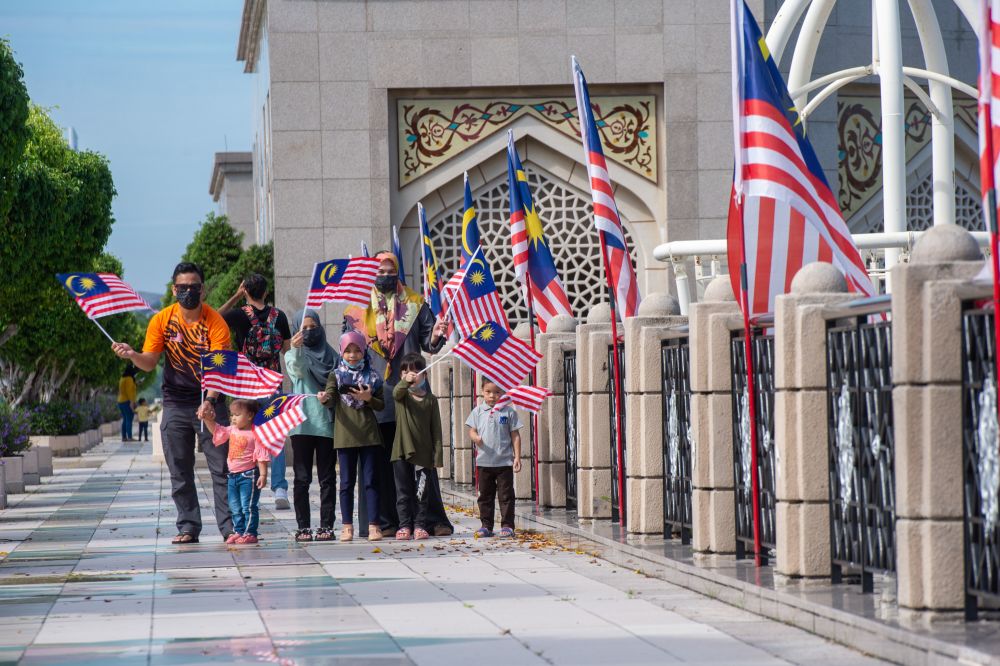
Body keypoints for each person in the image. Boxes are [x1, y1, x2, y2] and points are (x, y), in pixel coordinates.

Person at [111, 261, 233, 545]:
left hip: (210, 402)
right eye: (182, 287)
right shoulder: (162, 320)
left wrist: (211, 402)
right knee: (179, 469)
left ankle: (230, 528)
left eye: (193, 287)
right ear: (173, 289)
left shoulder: (215, 322)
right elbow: (149, 362)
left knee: (222, 468)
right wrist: (132, 354)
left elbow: (220, 368)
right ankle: (188, 526)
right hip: (176, 404)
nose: (188, 292)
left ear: (202, 290)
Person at [342, 251, 453, 538]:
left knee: (417, 460)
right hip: (375, 395)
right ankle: (384, 521)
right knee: (378, 462)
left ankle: (428, 520)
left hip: (410, 394)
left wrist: (438, 333)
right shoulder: (357, 311)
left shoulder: (416, 303)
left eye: (391, 271)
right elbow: (348, 350)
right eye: (380, 270)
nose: (386, 275)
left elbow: (430, 343)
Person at [220, 274, 292, 511]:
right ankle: (280, 487)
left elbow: (216, 317)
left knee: (246, 434)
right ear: (266, 292)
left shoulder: (240, 314)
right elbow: (286, 347)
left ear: (246, 291)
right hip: (273, 382)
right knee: (275, 434)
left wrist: (236, 296)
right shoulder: (278, 316)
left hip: (247, 383)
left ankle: (251, 486)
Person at [319, 331, 384, 542]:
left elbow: (381, 405)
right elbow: (330, 397)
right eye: (348, 351)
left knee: (372, 482)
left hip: (369, 435)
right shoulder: (336, 375)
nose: (353, 355)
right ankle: (347, 526)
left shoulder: (373, 376)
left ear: (364, 351)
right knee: (346, 482)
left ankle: (374, 526)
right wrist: (324, 397)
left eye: (357, 350)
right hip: (345, 436)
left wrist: (368, 398)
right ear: (341, 352)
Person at [285, 309, 338, 542]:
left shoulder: (332, 355)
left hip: (326, 423)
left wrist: (330, 395)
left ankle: (326, 525)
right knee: (302, 478)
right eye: (303, 328)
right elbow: (297, 370)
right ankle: (303, 526)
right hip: (302, 425)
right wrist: (295, 348)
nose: (308, 332)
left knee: (327, 478)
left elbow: (339, 383)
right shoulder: (292, 354)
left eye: (312, 327)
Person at [200, 398, 269, 545]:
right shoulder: (232, 430)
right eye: (232, 415)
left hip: (249, 475)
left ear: (250, 415)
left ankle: (250, 533)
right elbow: (217, 431)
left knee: (248, 506)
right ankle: (239, 531)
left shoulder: (256, 433)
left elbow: (261, 455)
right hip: (232, 476)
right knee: (235, 507)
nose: (233, 418)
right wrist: (207, 420)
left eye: (237, 415)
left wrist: (263, 474)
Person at [390, 353, 443, 541]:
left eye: (415, 371)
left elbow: (436, 430)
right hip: (401, 451)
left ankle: (420, 525)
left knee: (422, 492)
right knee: (403, 491)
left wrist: (437, 456)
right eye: (405, 371)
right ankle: (404, 525)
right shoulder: (402, 396)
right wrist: (405, 382)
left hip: (423, 454)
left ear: (425, 375)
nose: (410, 374)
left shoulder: (431, 400)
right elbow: (396, 392)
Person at [466, 380, 522, 539]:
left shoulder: (508, 412)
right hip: (484, 462)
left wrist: (517, 456)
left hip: (504, 462)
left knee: (506, 496)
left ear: (503, 393)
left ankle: (507, 525)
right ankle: (486, 525)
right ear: (482, 392)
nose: (492, 396)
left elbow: (515, 435)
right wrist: (475, 437)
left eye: (497, 392)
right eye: (488, 392)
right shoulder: (478, 411)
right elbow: (471, 430)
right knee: (485, 496)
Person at [117, 364, 137, 441]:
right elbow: (129, 391)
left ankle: (124, 437)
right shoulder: (129, 379)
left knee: (125, 419)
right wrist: (132, 402)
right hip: (127, 401)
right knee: (129, 419)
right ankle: (130, 437)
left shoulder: (122, 378)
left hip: (120, 401)